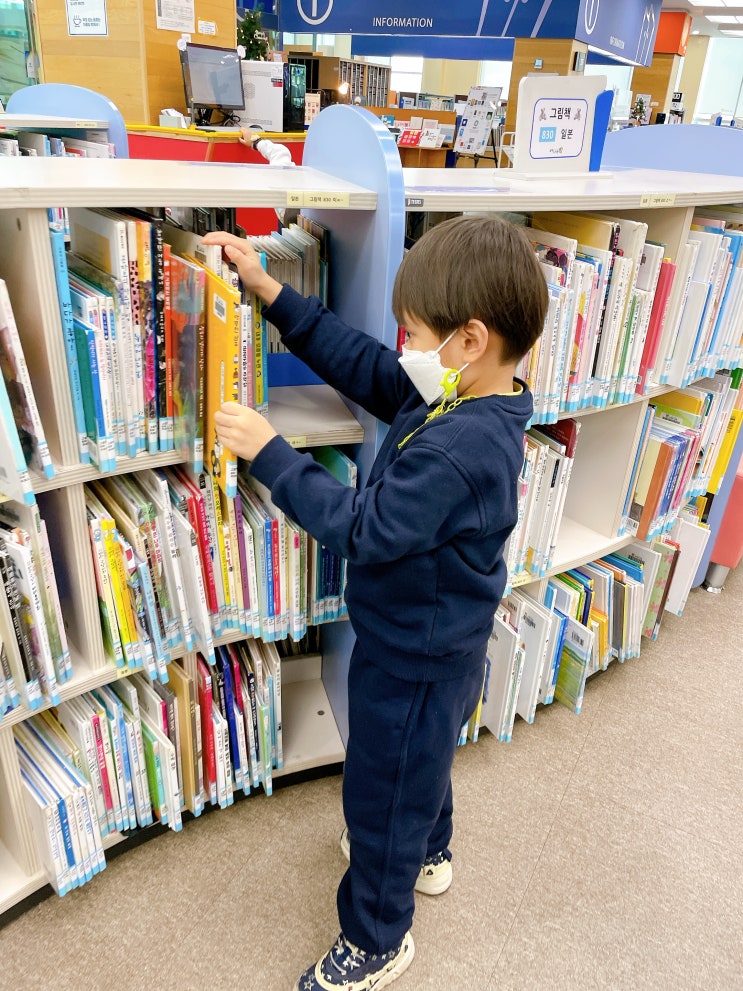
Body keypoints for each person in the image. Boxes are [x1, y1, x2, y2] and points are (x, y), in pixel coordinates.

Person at [202, 214, 548, 991]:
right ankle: (429, 850)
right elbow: (368, 369)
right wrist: (271, 294)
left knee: (384, 791)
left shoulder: (462, 449)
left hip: (414, 656)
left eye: (414, 333)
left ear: (468, 339)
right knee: (420, 766)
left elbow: (361, 526)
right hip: (437, 644)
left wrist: (272, 455)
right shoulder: (461, 393)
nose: (402, 348)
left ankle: (377, 938)